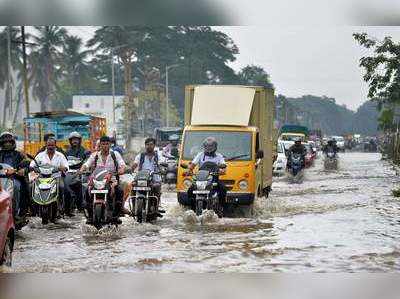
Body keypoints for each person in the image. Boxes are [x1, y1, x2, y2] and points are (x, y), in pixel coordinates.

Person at [80, 136, 126, 224]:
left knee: (119, 191)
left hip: (112, 181)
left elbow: (122, 166)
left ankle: (116, 215)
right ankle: (89, 215)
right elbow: (87, 164)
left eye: (107, 144)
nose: (105, 146)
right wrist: (82, 169)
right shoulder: (95, 155)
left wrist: (120, 171)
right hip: (96, 181)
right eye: (103, 144)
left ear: (110, 145)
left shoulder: (115, 154)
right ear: (100, 145)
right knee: (86, 191)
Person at [30, 137, 69, 218]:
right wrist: (32, 167)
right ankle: (33, 209)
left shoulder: (60, 155)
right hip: (41, 178)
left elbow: (66, 166)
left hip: (56, 178)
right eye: (49, 145)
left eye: (52, 145)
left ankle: (61, 206)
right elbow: (32, 164)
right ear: (46, 145)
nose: (50, 147)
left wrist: (63, 168)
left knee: (62, 187)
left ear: (55, 146)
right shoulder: (40, 155)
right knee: (31, 187)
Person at [186, 137, 227, 215]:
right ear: (204, 147)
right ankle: (191, 210)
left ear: (215, 147)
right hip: (201, 179)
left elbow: (224, 167)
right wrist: (189, 170)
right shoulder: (200, 154)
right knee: (190, 191)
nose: (209, 148)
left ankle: (222, 208)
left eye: (211, 146)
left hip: (214, 179)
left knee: (223, 189)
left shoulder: (219, 156)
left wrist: (222, 171)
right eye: (207, 146)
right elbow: (193, 164)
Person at [0, 132, 30, 224]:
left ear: (13, 143)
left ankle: (16, 212)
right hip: (1, 179)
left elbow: (27, 163)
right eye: (5, 142)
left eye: (9, 142)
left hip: (15, 178)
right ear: (2, 143)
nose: (7, 144)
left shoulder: (19, 154)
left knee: (16, 188)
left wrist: (21, 170)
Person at [131, 137, 163, 203]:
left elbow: (161, 165)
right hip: (141, 179)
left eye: (151, 144)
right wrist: (130, 169)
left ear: (154, 145)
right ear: (145, 146)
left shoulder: (158, 156)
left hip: (154, 179)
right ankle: (134, 207)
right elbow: (134, 164)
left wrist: (162, 170)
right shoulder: (140, 156)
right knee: (133, 186)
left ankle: (156, 207)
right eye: (147, 144)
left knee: (157, 187)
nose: (149, 146)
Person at [64, 132, 89, 213]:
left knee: (83, 185)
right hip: (69, 172)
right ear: (70, 141)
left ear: (79, 140)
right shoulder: (67, 152)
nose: (75, 141)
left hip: (81, 172)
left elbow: (87, 162)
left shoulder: (84, 151)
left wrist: (83, 169)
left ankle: (82, 204)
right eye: (73, 139)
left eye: (76, 139)